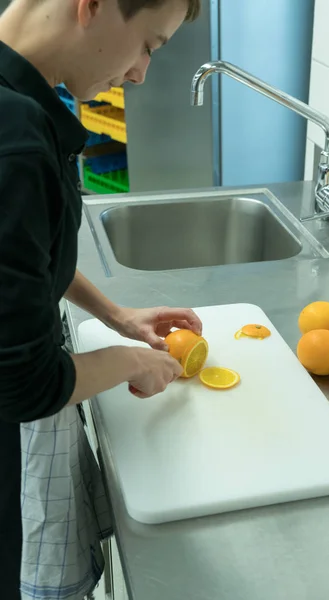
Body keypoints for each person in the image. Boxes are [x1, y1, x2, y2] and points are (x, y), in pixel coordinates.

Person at [0, 0, 201, 598]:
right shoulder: (14, 140)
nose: (140, 73)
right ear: (91, 5)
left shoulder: (24, 100)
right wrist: (133, 362)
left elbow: (22, 260)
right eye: (149, 45)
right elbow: (23, 385)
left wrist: (115, 314)